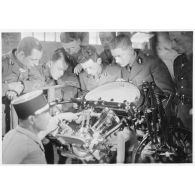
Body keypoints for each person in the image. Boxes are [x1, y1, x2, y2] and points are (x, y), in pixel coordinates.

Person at [2, 90, 79, 164]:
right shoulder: (31, 149)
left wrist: (58, 120)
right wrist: (56, 119)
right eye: (45, 115)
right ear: (32, 119)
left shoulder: (15, 134)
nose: (49, 118)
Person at [2, 37, 47, 135]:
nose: (36, 63)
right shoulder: (3, 63)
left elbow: (40, 81)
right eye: (34, 59)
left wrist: (21, 86)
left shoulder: (28, 64)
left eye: (38, 60)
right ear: (22, 54)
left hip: (20, 117)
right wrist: (8, 87)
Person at [110, 34, 175, 94]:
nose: (116, 60)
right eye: (114, 57)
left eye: (119, 56)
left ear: (130, 50)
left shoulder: (153, 63)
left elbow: (168, 95)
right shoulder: (123, 67)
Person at [169, 31, 193, 131]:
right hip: (182, 113)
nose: (172, 46)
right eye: (171, 40)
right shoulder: (178, 61)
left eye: (176, 40)